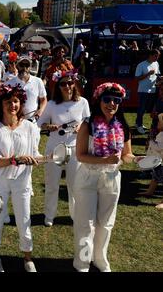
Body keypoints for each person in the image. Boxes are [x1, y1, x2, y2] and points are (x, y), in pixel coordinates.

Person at [73, 82, 140, 272]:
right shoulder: (88, 124)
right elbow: (80, 155)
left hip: (111, 178)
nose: (112, 104)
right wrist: (105, 159)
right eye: (107, 99)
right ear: (99, 101)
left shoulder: (122, 125)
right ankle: (82, 262)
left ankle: (100, 258)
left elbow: (126, 155)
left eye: (116, 100)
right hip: (88, 177)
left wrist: (136, 159)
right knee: (86, 223)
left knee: (106, 222)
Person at [0, 83, 40, 272]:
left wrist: (52, 158)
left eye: (16, 101)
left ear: (21, 103)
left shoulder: (31, 127)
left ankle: (27, 258)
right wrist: (15, 160)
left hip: (22, 181)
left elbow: (35, 154)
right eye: (8, 102)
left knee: (24, 220)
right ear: (1, 105)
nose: (13, 106)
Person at [37, 70, 90, 226]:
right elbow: (40, 124)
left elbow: (88, 120)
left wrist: (81, 126)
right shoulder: (53, 104)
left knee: (74, 185)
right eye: (63, 84)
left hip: (75, 149)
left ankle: (75, 215)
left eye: (70, 83)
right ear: (58, 86)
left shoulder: (82, 102)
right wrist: (49, 126)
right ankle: (49, 215)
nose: (67, 86)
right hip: (55, 149)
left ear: (74, 83)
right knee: (52, 184)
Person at [6, 56, 47, 121]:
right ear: (17, 66)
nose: (24, 68)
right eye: (22, 65)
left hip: (32, 121)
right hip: (15, 121)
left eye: (27, 65)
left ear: (30, 67)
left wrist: (40, 111)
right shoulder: (9, 83)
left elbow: (43, 99)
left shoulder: (38, 81)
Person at [135, 49, 161, 134]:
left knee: (146, 109)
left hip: (153, 90)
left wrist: (160, 79)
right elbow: (137, 78)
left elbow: (158, 75)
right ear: (150, 55)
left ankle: (138, 123)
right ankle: (139, 125)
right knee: (141, 108)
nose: (157, 58)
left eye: (158, 56)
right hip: (143, 90)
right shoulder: (141, 65)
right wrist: (148, 74)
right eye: (155, 56)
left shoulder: (156, 64)